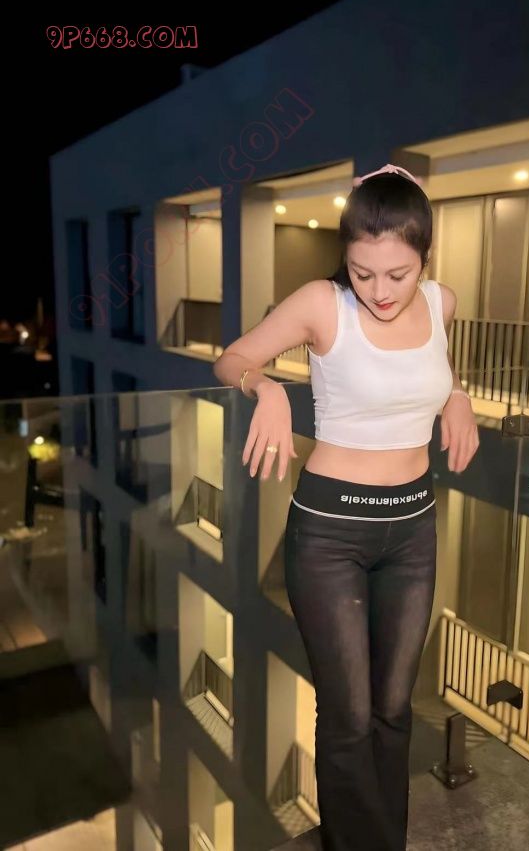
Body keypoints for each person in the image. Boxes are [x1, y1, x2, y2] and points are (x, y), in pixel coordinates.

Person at [213, 164, 479, 850]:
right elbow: (231, 358)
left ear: (424, 259)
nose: (380, 290)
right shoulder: (322, 303)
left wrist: (457, 395)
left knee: (394, 708)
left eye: (397, 274)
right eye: (363, 272)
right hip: (331, 532)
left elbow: (435, 368)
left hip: (413, 528)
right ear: (347, 260)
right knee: (350, 716)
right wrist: (267, 389)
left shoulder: (442, 303)